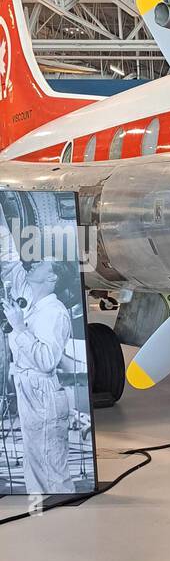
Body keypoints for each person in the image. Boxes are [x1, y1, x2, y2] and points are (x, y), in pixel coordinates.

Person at [0, 201, 72, 493]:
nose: (34, 263)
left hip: (44, 393)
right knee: (35, 463)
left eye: (42, 263)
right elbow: (9, 260)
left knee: (51, 466)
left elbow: (46, 360)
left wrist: (19, 328)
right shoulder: (29, 295)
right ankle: (42, 504)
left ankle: (62, 507)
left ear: (52, 277)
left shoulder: (55, 313)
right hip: (28, 389)